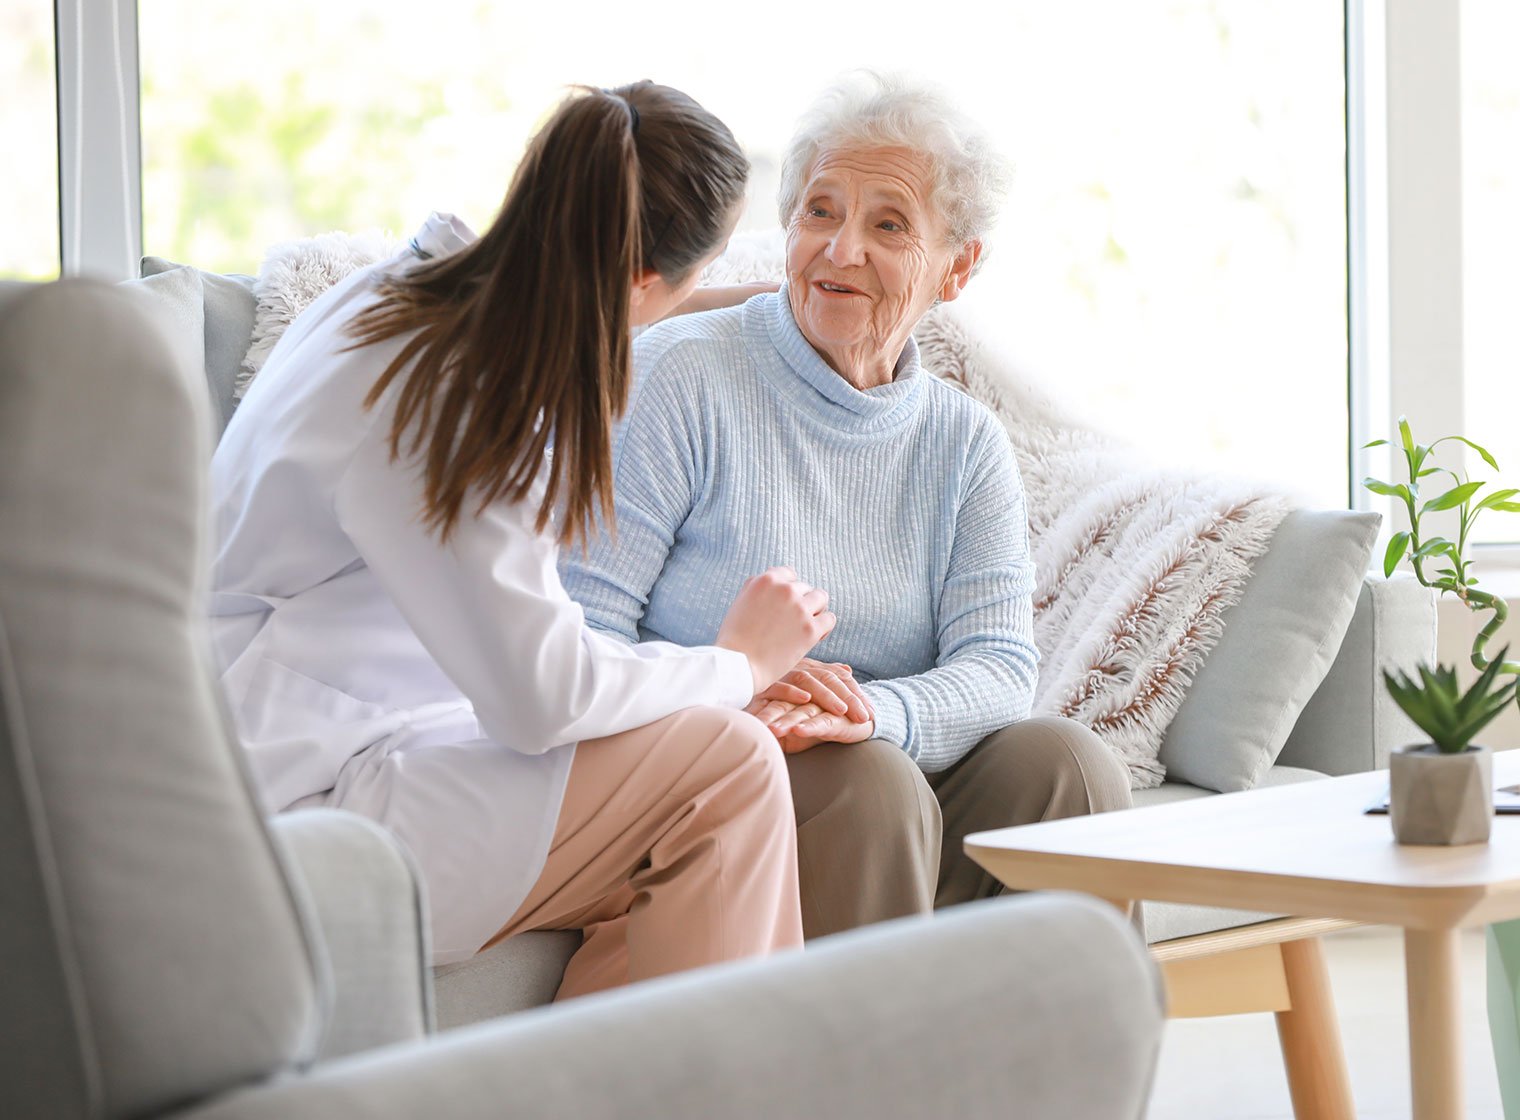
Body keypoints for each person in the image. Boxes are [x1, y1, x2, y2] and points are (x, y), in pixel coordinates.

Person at [209, 81, 837, 999]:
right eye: (686, 287)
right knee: (724, 768)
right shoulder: (457, 404)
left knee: (680, 791)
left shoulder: (391, 298)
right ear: (640, 282)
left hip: (311, 738)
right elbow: (542, 700)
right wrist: (738, 663)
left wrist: (735, 306)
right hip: (299, 806)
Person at [561, 73, 1134, 941]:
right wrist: (735, 693)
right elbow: (583, 630)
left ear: (958, 268)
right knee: (867, 783)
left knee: (1070, 768)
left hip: (880, 771)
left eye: (889, 225)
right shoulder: (681, 377)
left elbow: (1000, 669)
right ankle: (865, 1067)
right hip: (709, 771)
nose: (840, 251)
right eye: (820, 212)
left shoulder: (964, 443)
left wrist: (873, 716)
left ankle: (1056, 1067)